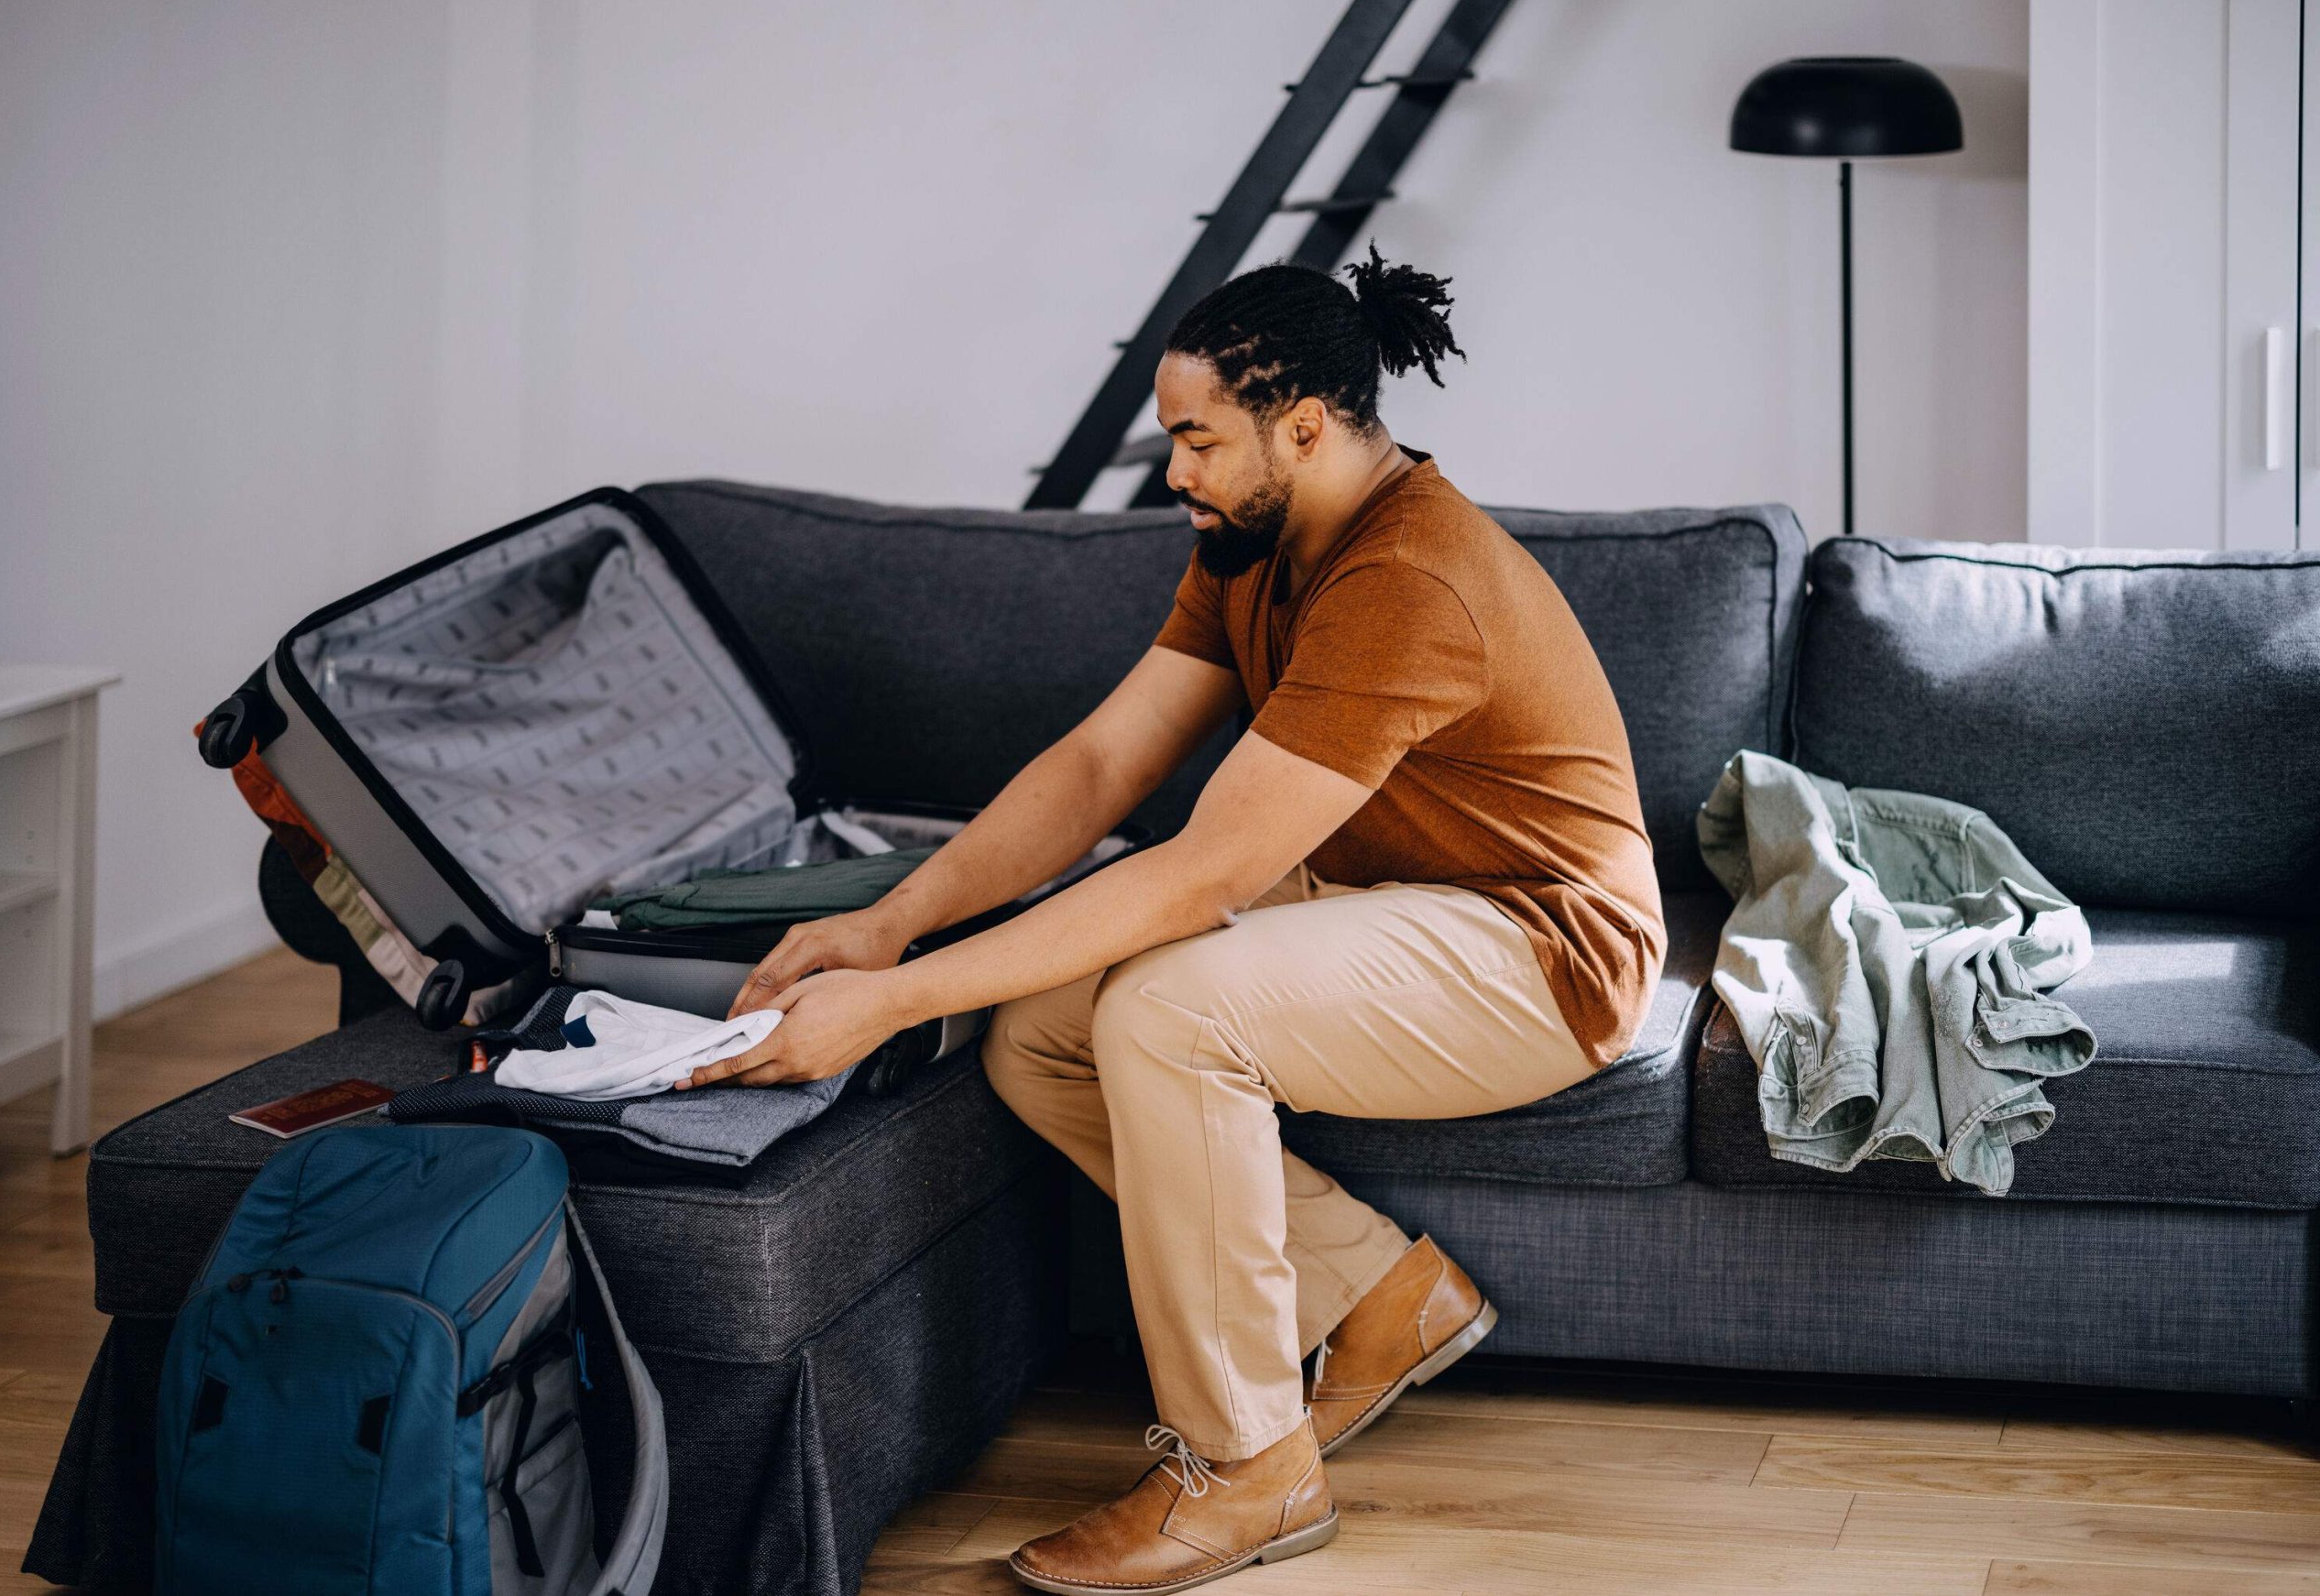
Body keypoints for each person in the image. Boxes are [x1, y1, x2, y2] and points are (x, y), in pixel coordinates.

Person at [683, 245, 1665, 1594]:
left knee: (1168, 1004)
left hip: (1544, 947)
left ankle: (1248, 1470)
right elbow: (1103, 766)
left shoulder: (1407, 577)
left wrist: (898, 1000)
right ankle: (1378, 1298)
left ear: (1304, 428)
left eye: (1195, 439)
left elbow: (1200, 876)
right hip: (1400, 890)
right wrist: (888, 923)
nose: (1175, 474)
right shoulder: (1255, 539)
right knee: (1042, 1028)